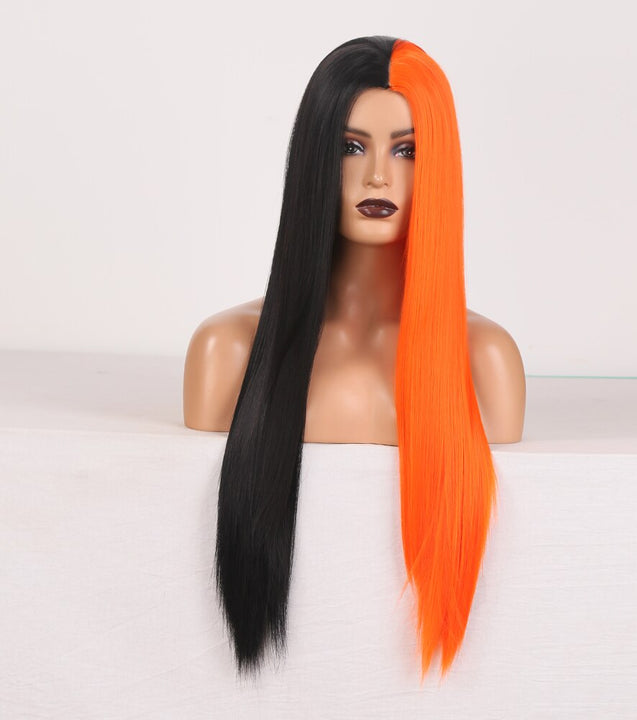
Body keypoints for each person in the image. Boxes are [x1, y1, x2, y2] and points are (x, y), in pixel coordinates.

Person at [183, 36, 525, 683]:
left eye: (406, 150)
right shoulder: (227, 351)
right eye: (351, 147)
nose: (377, 177)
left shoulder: (487, 360)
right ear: (315, 159)